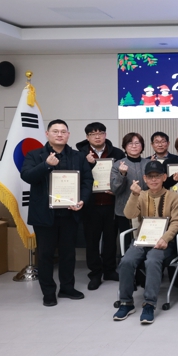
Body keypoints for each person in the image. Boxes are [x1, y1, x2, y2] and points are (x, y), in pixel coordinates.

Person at [21, 119, 93, 307]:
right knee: (45, 255)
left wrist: (82, 200)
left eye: (63, 131)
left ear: (68, 135)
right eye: (55, 131)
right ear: (47, 134)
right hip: (44, 214)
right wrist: (46, 164)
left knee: (68, 254)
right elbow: (27, 176)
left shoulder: (78, 156)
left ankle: (67, 288)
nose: (59, 134)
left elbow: (87, 180)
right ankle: (48, 292)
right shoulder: (35, 155)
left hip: (70, 213)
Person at [112, 161, 178, 324]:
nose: (154, 180)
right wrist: (134, 195)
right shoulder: (141, 195)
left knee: (152, 260)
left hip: (163, 242)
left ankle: (149, 303)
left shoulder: (173, 197)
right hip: (142, 240)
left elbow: (176, 222)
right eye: (150, 177)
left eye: (157, 176)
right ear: (145, 178)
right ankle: (126, 302)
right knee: (127, 261)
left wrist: (165, 238)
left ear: (164, 177)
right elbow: (129, 214)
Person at [75, 122, 126, 290]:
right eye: (93, 134)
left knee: (111, 239)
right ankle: (95, 273)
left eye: (100, 133)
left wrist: (116, 189)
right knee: (92, 240)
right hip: (91, 205)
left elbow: (123, 175)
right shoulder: (79, 155)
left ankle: (109, 270)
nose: (97, 136)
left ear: (105, 134)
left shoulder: (117, 153)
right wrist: (88, 163)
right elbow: (76, 177)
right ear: (87, 137)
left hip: (112, 203)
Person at [110, 133, 149, 236]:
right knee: (126, 240)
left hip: (147, 209)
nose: (134, 146)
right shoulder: (117, 165)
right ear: (125, 146)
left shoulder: (148, 163)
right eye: (130, 143)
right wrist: (122, 174)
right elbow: (115, 189)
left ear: (142, 146)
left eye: (137, 143)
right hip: (124, 210)